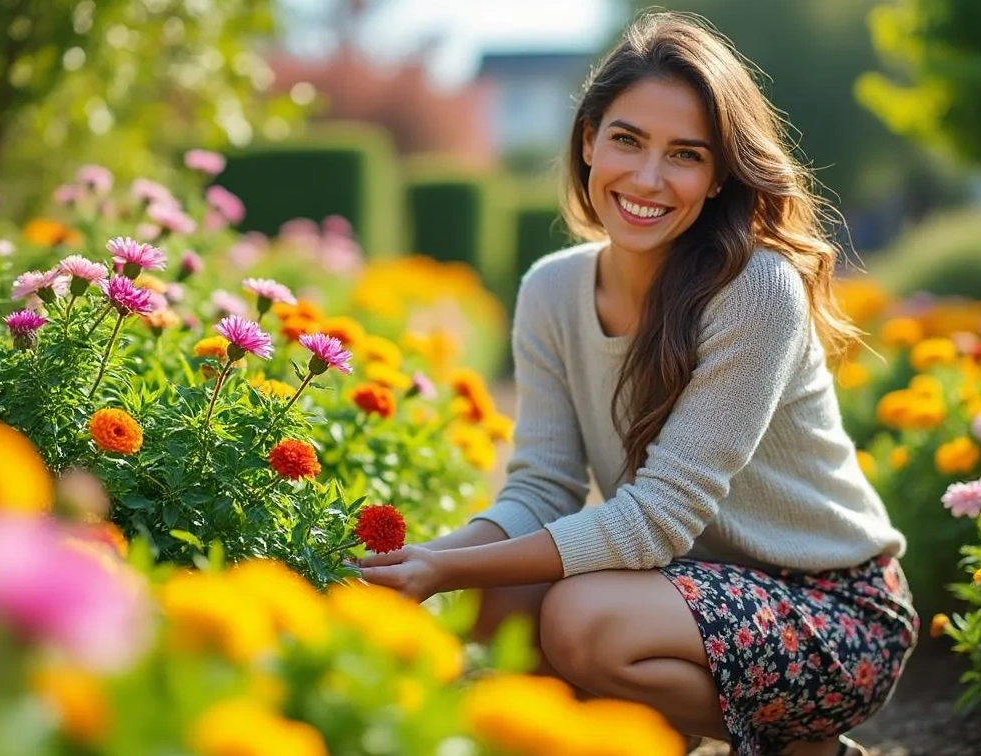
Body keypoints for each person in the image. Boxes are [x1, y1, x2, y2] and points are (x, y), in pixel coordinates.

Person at [358, 11, 917, 756]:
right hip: (682, 594)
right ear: (589, 139)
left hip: (833, 609)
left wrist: (444, 568)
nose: (648, 179)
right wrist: (421, 561)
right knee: (500, 603)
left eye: (685, 155)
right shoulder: (552, 290)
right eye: (628, 140)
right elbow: (542, 488)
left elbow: (656, 520)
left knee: (582, 618)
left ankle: (803, 746)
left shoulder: (756, 291)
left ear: (718, 177)